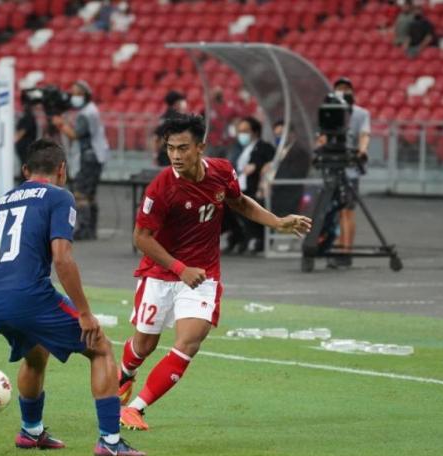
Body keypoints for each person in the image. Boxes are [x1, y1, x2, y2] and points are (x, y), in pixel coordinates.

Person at [0, 139, 145, 456]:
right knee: (101, 348)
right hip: (29, 295)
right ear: (62, 171)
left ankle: (31, 431)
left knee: (35, 353)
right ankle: (110, 441)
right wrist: (84, 313)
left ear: (25, 170)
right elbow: (63, 259)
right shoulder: (59, 197)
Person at [116, 114, 312, 431]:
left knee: (190, 341)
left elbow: (239, 202)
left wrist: (276, 222)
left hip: (203, 276)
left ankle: (136, 408)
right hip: (162, 273)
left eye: (183, 148)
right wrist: (179, 268)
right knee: (144, 347)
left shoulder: (221, 172)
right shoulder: (161, 188)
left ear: (201, 147)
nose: (176, 156)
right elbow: (141, 237)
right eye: (171, 149)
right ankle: (124, 373)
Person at [320, 77, 370, 268]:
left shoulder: (361, 113)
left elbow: (364, 135)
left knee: (347, 211)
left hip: (349, 167)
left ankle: (346, 251)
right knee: (334, 212)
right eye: (339, 88)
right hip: (332, 166)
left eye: (346, 88)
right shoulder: (328, 111)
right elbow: (323, 134)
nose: (343, 92)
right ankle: (338, 245)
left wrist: (362, 151)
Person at [52, 80, 110, 240]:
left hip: (88, 157)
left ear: (85, 94)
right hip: (95, 155)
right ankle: (91, 228)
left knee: (81, 193)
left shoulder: (86, 113)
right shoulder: (90, 110)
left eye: (77, 93)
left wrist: (60, 125)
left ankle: (85, 228)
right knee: (90, 194)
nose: (74, 97)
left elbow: (75, 134)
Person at [224, 116, 276, 254]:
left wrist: (257, 166)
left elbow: (270, 165)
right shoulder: (239, 149)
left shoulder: (264, 147)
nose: (242, 134)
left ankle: (255, 238)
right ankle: (238, 236)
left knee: (241, 206)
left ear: (255, 132)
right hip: (238, 187)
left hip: (254, 189)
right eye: (240, 131)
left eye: (245, 131)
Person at [154, 90, 188, 167]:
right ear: (176, 103)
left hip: (163, 154)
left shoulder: (163, 117)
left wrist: (155, 154)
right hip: (177, 155)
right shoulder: (181, 118)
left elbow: (156, 138)